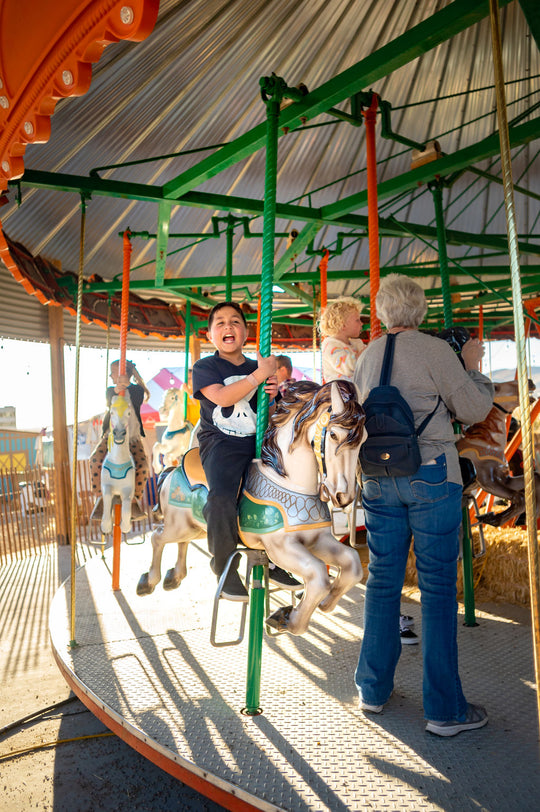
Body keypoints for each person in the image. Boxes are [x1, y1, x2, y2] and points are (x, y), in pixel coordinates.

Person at [353, 274, 494, 737]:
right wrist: (473, 366)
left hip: (377, 476)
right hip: (430, 472)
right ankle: (445, 709)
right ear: (421, 311)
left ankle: (372, 690)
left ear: (381, 312)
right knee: (435, 590)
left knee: (382, 581)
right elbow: (473, 408)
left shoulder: (368, 355)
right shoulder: (435, 350)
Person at [319, 296, 415, 642]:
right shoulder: (333, 346)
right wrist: (379, 348)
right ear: (341, 322)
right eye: (357, 319)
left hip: (356, 419)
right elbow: (360, 369)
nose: (361, 324)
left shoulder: (353, 342)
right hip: (342, 420)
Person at [192, 302, 301, 601]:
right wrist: (257, 377)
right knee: (223, 498)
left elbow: (269, 413)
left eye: (235, 322)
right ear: (211, 334)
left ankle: (276, 556)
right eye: (221, 323)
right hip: (222, 444)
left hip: (257, 440)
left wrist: (273, 396)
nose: (228, 327)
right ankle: (225, 567)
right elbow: (223, 398)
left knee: (289, 490)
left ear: (246, 331)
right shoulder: (206, 367)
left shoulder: (258, 367)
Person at [89, 359, 150, 521]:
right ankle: (100, 497)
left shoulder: (136, 391)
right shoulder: (110, 390)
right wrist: (117, 389)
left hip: (132, 437)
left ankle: (135, 499)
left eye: (113, 372)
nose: (110, 375)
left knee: (143, 465)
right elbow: (109, 397)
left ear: (124, 374)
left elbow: (138, 396)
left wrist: (127, 386)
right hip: (112, 435)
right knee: (95, 460)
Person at [318, 297, 365, 383]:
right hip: (340, 392)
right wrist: (366, 351)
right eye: (357, 320)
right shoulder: (330, 345)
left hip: (355, 391)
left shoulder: (356, 344)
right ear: (343, 325)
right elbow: (347, 367)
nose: (361, 323)